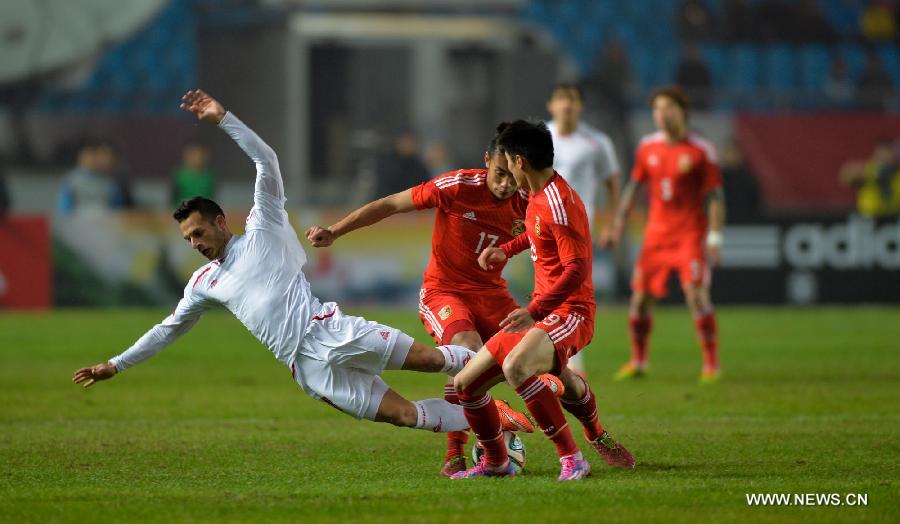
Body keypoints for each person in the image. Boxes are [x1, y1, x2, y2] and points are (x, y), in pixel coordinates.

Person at [72, 89, 531, 442]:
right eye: (187, 239)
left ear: (218, 221)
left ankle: (514, 368)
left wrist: (223, 119)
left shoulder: (263, 227)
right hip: (307, 368)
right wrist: (117, 363)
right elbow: (167, 329)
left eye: (198, 232)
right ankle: (493, 419)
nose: (194, 243)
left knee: (432, 360)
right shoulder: (203, 283)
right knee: (404, 415)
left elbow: (266, 161)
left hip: (328, 332)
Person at [307, 123, 557, 477]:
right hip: (444, 290)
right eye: (498, 174)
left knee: (536, 357)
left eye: (511, 176)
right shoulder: (457, 186)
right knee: (466, 350)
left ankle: (589, 440)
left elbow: (552, 244)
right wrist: (336, 230)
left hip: (492, 294)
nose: (504, 184)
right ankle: (455, 452)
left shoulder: (528, 201)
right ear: (487, 161)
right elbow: (391, 203)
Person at [449, 120, 634, 481]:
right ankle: (497, 463)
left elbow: (577, 269)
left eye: (506, 163)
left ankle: (574, 457)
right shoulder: (537, 194)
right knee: (465, 385)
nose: (503, 173)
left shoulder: (559, 202)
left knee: (517, 367)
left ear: (519, 161)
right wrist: (506, 249)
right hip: (545, 310)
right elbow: (537, 234)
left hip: (571, 312)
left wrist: (533, 311)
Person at [610, 86, 726, 384]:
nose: (661, 115)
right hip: (656, 236)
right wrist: (618, 222)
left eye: (668, 108)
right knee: (639, 301)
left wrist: (714, 237)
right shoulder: (648, 147)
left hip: (689, 234)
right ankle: (638, 361)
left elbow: (715, 197)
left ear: (682, 112)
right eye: (657, 109)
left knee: (695, 295)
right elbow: (634, 187)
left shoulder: (701, 151)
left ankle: (711, 365)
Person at [545, 82, 621, 376]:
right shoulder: (540, 137)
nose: (567, 105)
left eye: (572, 99)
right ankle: (551, 353)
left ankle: (573, 361)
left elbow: (613, 183)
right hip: (542, 224)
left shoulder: (596, 142)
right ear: (551, 105)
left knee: (572, 291)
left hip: (578, 227)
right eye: (561, 99)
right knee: (547, 289)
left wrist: (612, 224)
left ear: (581, 106)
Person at [58, 140, 132, 215]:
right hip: (79, 220)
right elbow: (65, 208)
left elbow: (117, 205)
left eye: (94, 155)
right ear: (80, 157)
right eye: (88, 155)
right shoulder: (71, 180)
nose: (92, 159)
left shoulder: (108, 180)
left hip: (106, 219)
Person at [172, 140, 216, 205]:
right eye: (193, 154)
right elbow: (172, 199)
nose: (196, 158)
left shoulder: (209, 176)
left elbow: (212, 198)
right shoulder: (179, 175)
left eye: (200, 154)